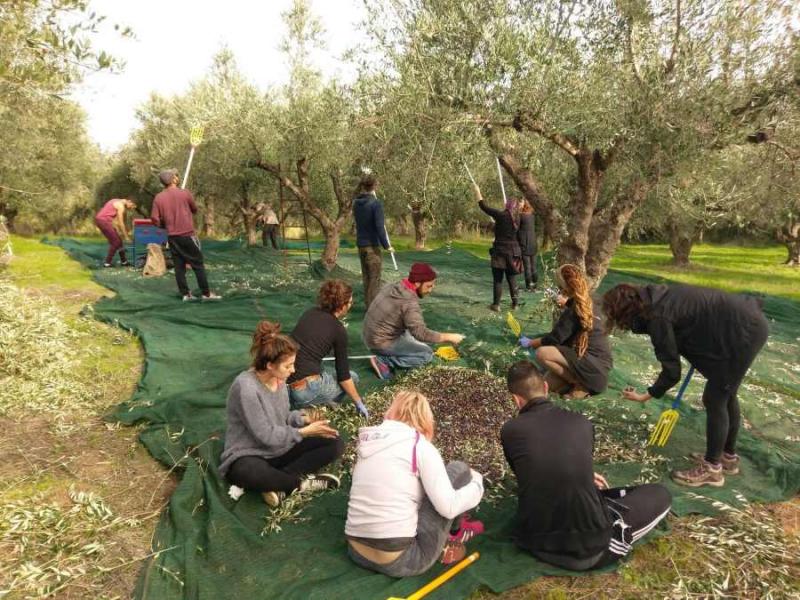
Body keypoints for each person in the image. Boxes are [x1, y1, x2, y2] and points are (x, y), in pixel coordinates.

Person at [501, 360, 672, 571]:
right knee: (660, 493)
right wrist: (584, 472)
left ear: (515, 400)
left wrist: (583, 473)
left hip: (534, 540)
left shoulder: (509, 431)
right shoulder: (581, 422)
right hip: (590, 548)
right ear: (546, 387)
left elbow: (530, 471)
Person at [602, 283, 769, 488]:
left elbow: (672, 372)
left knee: (717, 396)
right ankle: (727, 457)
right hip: (742, 320)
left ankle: (712, 469)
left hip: (743, 331)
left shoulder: (657, 317)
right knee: (726, 392)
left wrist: (646, 395)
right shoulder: (653, 297)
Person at [345, 390, 485, 575]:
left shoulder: (367, 443)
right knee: (458, 470)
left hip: (356, 552)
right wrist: (477, 482)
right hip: (403, 560)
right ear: (426, 421)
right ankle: (455, 533)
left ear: (390, 413)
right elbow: (448, 507)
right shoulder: (420, 446)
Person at [219, 320, 345, 508]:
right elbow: (266, 436)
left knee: (334, 443)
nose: (293, 370)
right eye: (288, 366)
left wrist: (303, 419)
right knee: (247, 471)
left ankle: (278, 482)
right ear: (270, 365)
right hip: (250, 453)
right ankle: (299, 484)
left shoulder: (278, 380)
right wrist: (304, 432)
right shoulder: (246, 388)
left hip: (280, 448)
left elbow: (284, 416)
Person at [519, 264, 612, 399]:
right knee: (543, 389)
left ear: (565, 287)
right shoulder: (593, 300)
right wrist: (567, 302)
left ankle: (578, 384)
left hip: (591, 372)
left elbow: (554, 339)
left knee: (542, 353)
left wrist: (531, 342)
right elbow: (580, 311)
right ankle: (574, 386)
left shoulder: (572, 312)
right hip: (599, 370)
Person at [363, 262, 464, 380]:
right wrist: (449, 337)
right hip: (380, 342)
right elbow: (420, 333)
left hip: (370, 333)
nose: (431, 290)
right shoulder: (409, 303)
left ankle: (391, 354)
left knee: (415, 339)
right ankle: (384, 361)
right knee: (426, 354)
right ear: (417, 283)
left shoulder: (395, 285)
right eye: (429, 286)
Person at [287, 280, 369, 417]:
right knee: (353, 377)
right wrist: (358, 402)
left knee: (326, 370)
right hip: (305, 392)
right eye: (349, 303)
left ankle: (318, 401)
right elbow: (344, 376)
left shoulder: (310, 312)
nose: (350, 306)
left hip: (287, 383)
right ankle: (319, 407)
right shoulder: (338, 330)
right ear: (341, 306)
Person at [151, 169, 221, 301]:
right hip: (187, 235)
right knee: (198, 265)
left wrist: (163, 226)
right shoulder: (185, 193)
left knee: (179, 267)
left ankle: (185, 294)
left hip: (172, 237)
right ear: (173, 180)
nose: (178, 177)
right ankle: (206, 294)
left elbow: (154, 219)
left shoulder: (158, 198)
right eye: (176, 175)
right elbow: (194, 209)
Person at [472, 183, 522, 312]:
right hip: (513, 252)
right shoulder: (518, 219)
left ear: (506, 206)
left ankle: (496, 305)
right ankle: (515, 304)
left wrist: (477, 191)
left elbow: (483, 206)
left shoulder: (501, 215)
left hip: (500, 251)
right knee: (512, 279)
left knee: (498, 279)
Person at [352, 173, 394, 307]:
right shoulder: (375, 204)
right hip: (372, 247)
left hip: (361, 245)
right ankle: (373, 310)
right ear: (375, 186)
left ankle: (368, 306)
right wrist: (387, 246)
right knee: (374, 279)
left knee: (366, 278)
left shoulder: (356, 203)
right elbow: (379, 227)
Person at [95, 197, 136, 267]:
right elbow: (121, 223)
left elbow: (115, 220)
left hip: (101, 220)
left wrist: (117, 230)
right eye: (132, 206)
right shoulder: (121, 206)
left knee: (119, 241)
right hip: (103, 221)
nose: (131, 208)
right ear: (129, 201)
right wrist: (126, 237)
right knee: (116, 242)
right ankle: (107, 263)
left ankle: (124, 261)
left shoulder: (115, 200)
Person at [517, 199, 538, 291]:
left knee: (527, 266)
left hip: (524, 243)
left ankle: (529, 285)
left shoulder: (521, 216)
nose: (519, 204)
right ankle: (535, 283)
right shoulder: (532, 216)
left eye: (521, 202)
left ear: (524, 205)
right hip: (533, 243)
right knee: (533, 265)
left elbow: (516, 228)